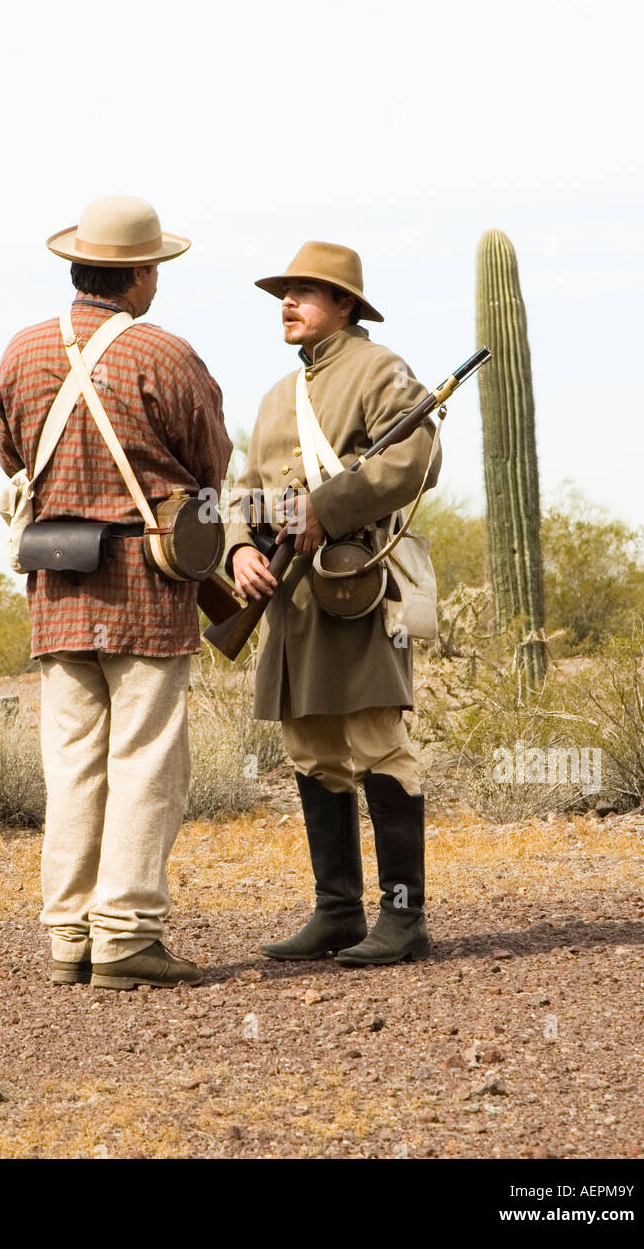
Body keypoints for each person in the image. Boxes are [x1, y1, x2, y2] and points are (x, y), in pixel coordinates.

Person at [0, 195, 232, 990]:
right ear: (138, 273)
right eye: (154, 267)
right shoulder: (164, 353)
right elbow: (212, 463)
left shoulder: (22, 352)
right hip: (146, 590)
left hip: (56, 588)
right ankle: (126, 935)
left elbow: (9, 454)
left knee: (71, 767)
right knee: (144, 763)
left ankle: (68, 937)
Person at [225, 241, 442, 966]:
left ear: (345, 304)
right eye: (283, 293)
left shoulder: (379, 370)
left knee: (380, 743)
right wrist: (240, 549)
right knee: (313, 749)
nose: (286, 303)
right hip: (291, 599)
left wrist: (329, 505)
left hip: (356, 587)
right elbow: (244, 492)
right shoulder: (274, 398)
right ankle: (338, 911)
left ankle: (404, 920)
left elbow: (418, 458)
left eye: (304, 292)